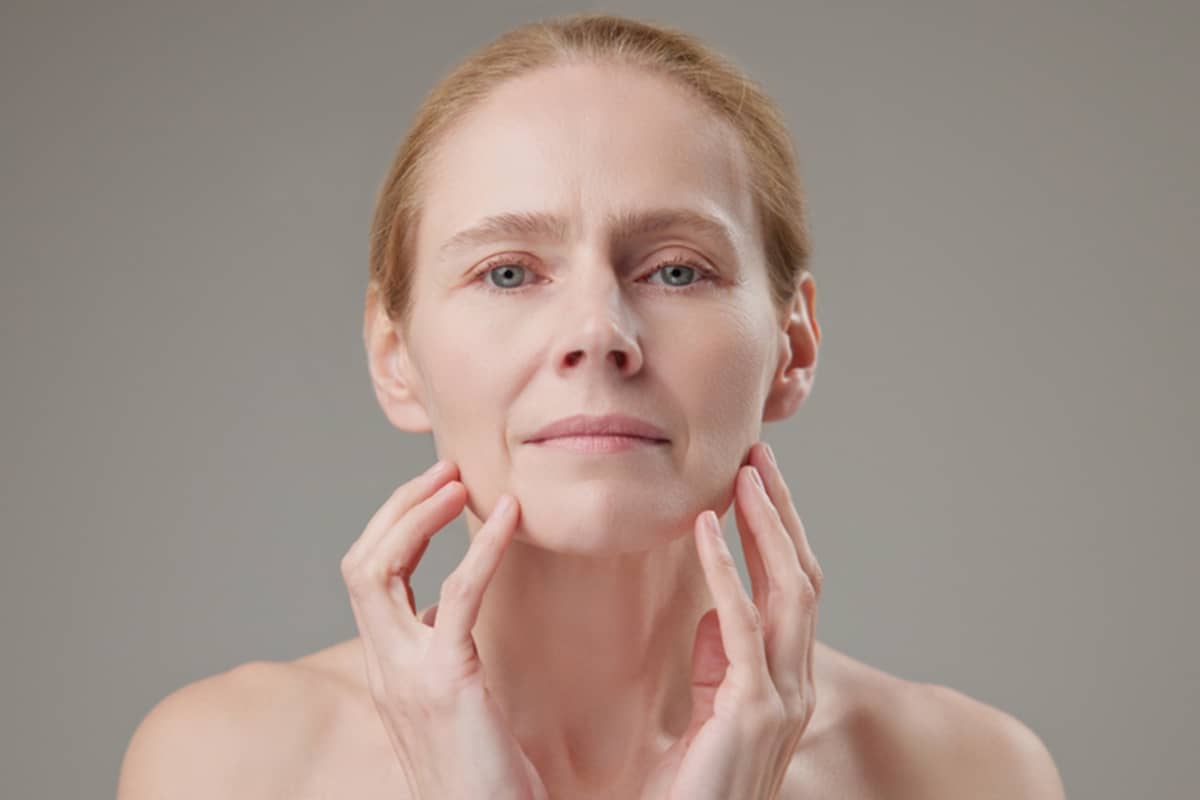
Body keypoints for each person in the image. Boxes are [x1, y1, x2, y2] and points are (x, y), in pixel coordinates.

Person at [117, 12, 1065, 800]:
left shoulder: (968, 776)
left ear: (793, 342)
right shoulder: (226, 767)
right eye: (507, 272)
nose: (598, 330)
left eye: (678, 269)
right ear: (394, 352)